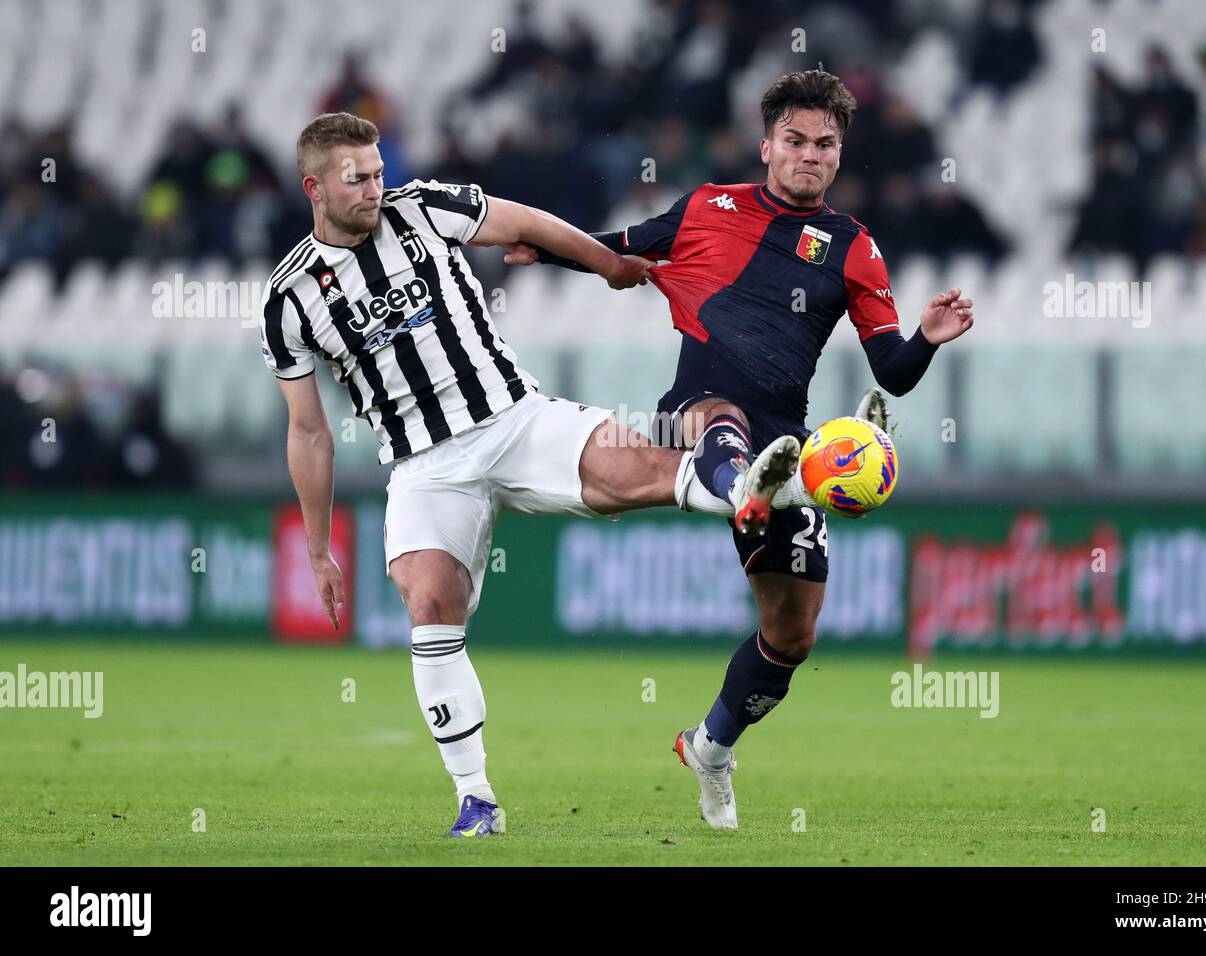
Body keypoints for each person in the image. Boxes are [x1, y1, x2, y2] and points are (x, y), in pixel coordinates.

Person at [258, 112, 805, 839]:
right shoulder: (288, 298)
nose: (373, 187)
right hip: (425, 467)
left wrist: (608, 263)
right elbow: (308, 429)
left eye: (377, 171)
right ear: (314, 188)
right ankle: (477, 799)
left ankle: (752, 491)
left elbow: (528, 221)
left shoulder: (420, 207)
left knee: (635, 469)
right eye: (356, 178)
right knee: (430, 605)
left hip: (516, 419)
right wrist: (319, 547)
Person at [514, 70, 975, 828]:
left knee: (791, 636)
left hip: (788, 447)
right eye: (795, 141)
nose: (810, 156)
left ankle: (710, 748)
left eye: (825, 145)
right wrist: (543, 247)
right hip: (694, 415)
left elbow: (890, 371)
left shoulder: (855, 248)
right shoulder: (706, 207)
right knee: (715, 421)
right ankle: (741, 486)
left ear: (839, 154)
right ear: (766, 145)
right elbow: (617, 250)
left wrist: (926, 337)